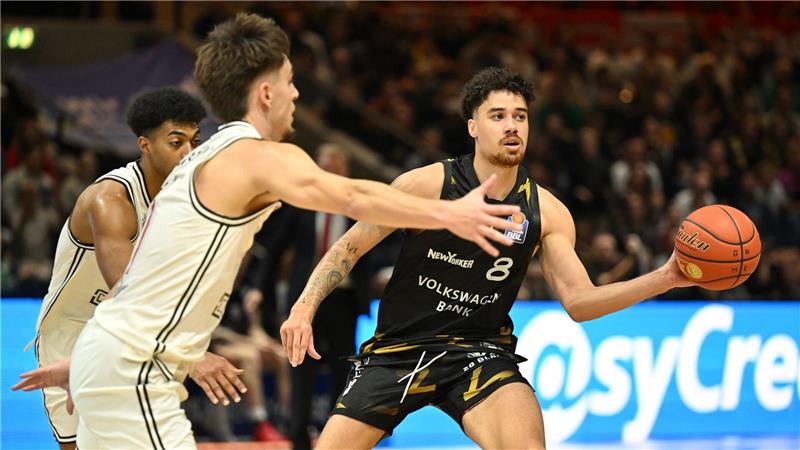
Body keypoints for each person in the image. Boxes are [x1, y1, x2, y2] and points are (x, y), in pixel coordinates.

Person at [51, 14, 520, 450]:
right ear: (266, 93)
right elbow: (351, 196)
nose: (296, 94)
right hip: (135, 369)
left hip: (111, 354)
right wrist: (451, 214)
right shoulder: (256, 157)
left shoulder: (203, 156)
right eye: (290, 81)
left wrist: (95, 354)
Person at [280, 67, 695, 450]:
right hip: (399, 349)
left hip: (478, 352)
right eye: (498, 116)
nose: (512, 125)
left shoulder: (546, 213)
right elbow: (348, 248)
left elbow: (580, 302)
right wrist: (303, 307)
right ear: (473, 127)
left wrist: (665, 277)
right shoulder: (425, 184)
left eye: (520, 116)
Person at [10, 88, 247, 450]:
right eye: (175, 141)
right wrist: (193, 356)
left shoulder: (182, 203)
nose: (188, 152)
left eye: (194, 141)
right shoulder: (110, 200)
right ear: (145, 144)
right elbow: (127, 296)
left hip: (135, 339)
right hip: (72, 334)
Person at [255, 142, 378, 449]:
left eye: (335, 166)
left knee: (343, 371)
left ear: (345, 171)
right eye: (325, 165)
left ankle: (337, 440)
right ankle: (298, 438)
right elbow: (275, 250)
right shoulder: (301, 203)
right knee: (300, 370)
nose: (330, 170)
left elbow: (373, 251)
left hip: (343, 301)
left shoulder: (358, 205)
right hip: (304, 301)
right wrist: (260, 287)